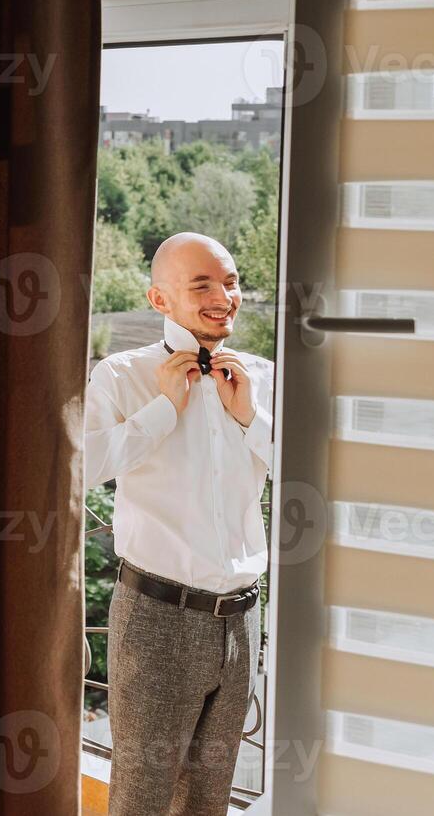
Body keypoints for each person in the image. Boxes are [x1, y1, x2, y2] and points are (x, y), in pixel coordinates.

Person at [85, 232, 275, 816]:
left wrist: (251, 419)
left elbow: (317, 473)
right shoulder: (120, 375)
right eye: (202, 285)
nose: (224, 295)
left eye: (231, 281)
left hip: (242, 619)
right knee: (140, 801)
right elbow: (81, 467)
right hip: (156, 618)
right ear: (159, 299)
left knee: (206, 805)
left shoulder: (264, 378)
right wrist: (162, 410)